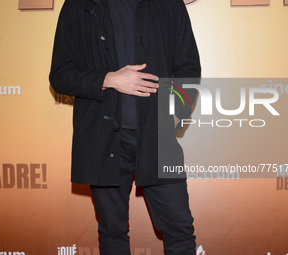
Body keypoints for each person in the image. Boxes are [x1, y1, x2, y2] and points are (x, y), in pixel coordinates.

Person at [49, 0, 201, 254]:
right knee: (112, 231)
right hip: (102, 138)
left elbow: (188, 67)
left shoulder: (169, 3)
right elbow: (60, 74)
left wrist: (175, 115)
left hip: (157, 139)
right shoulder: (79, 4)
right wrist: (109, 79)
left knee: (180, 229)